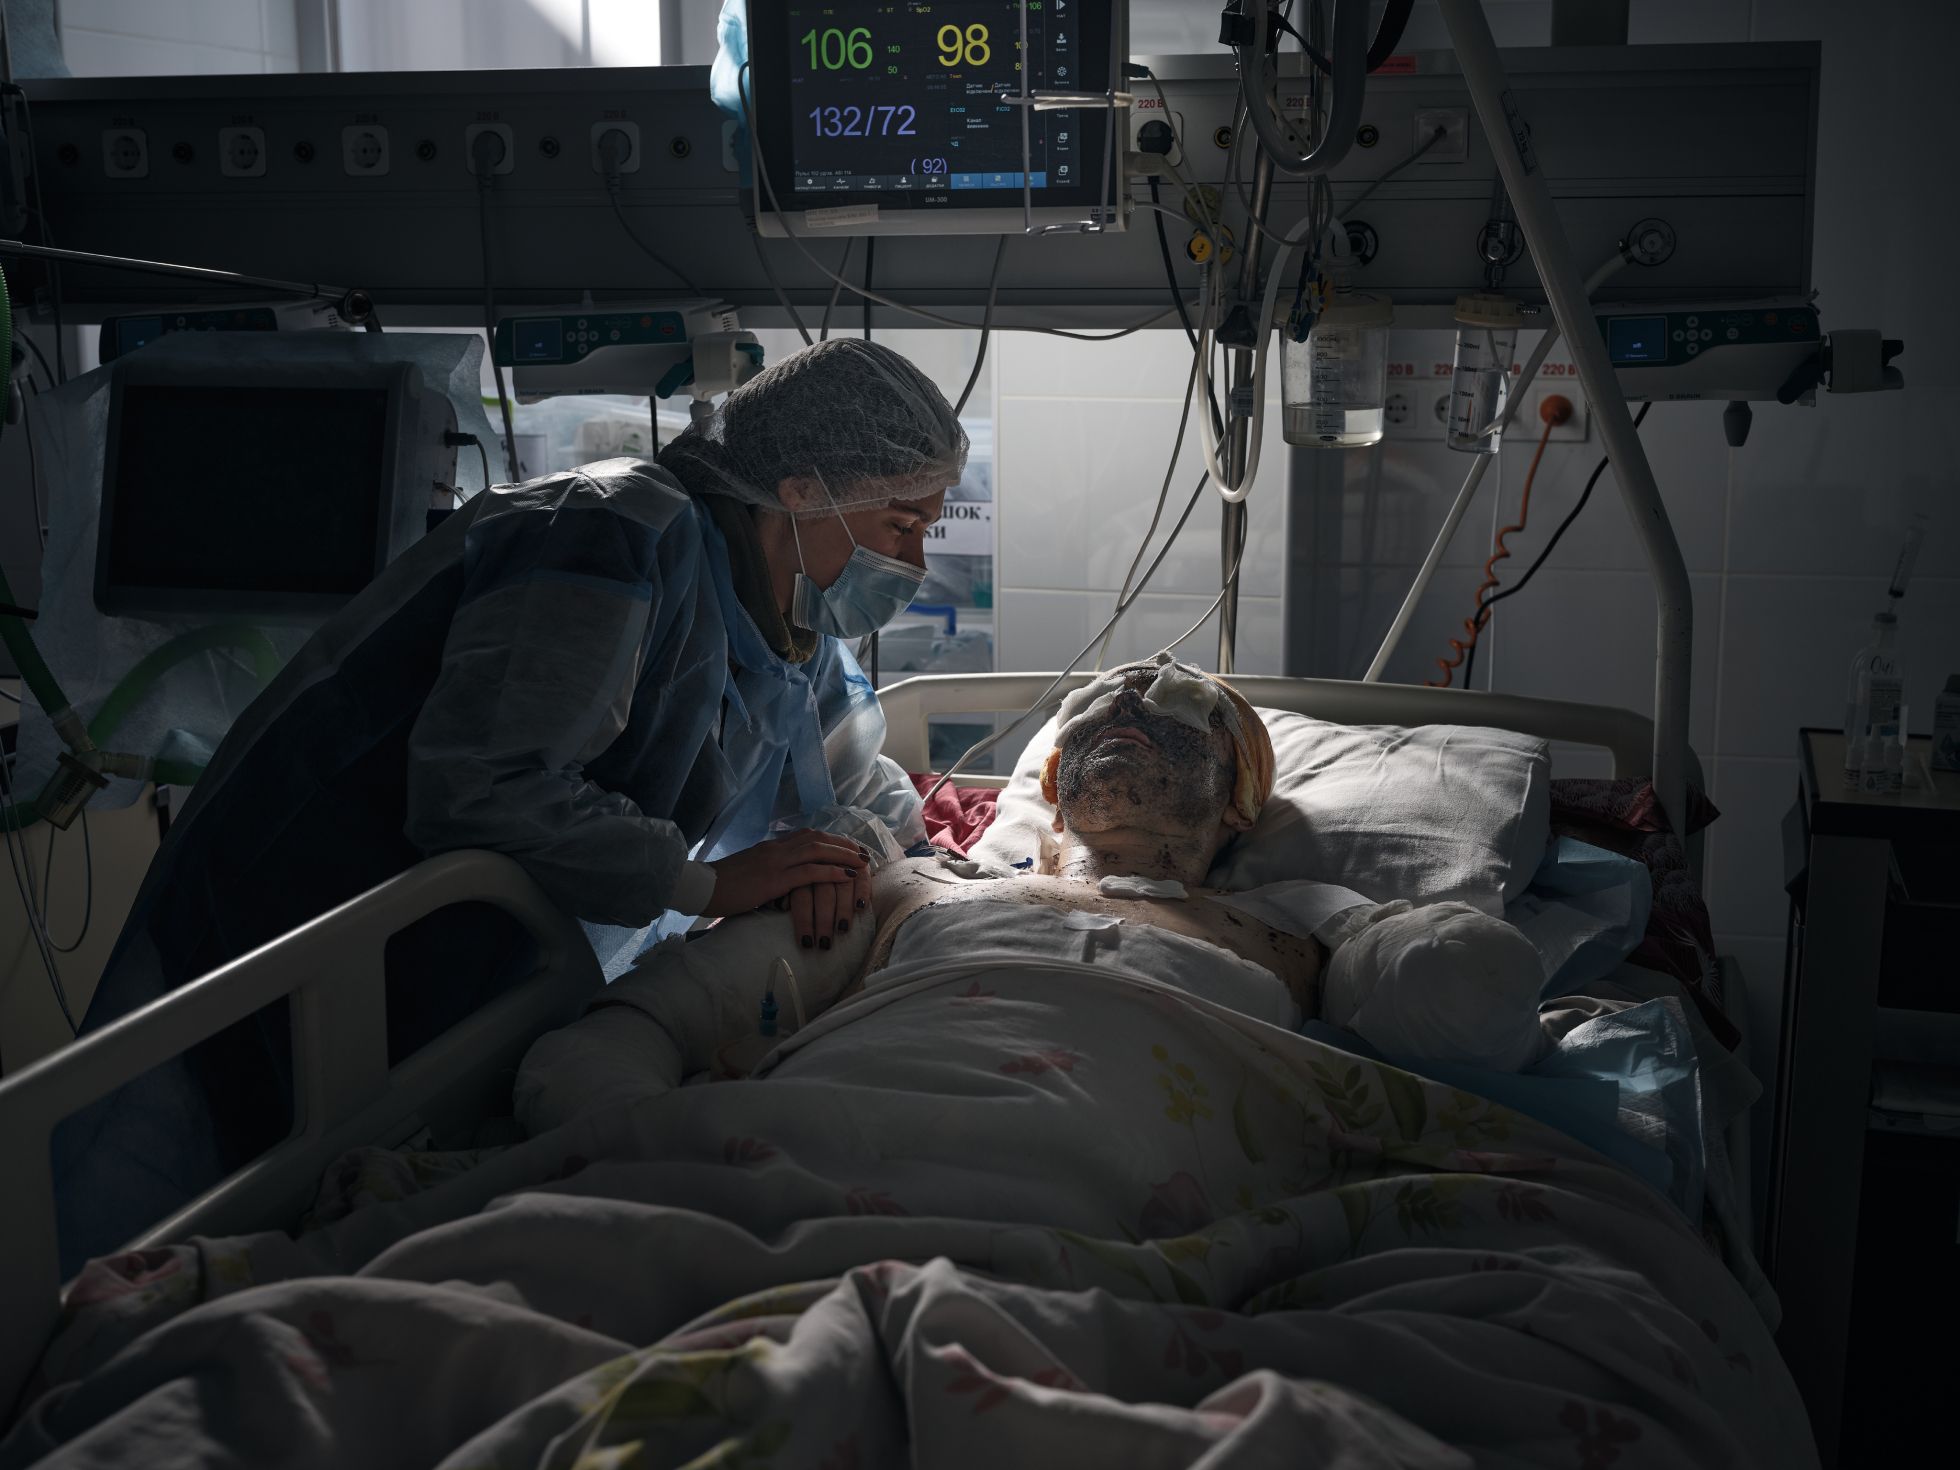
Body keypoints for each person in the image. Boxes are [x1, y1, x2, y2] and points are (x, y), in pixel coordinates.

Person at [54, 338, 967, 1272]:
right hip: (282, 913)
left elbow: (845, 775)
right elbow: (482, 782)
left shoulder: (780, 620)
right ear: (804, 489)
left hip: (457, 972)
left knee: (319, 1197)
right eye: (902, 526)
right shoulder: (609, 533)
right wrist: (705, 886)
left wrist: (900, 870)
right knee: (125, 1243)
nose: (913, 561)